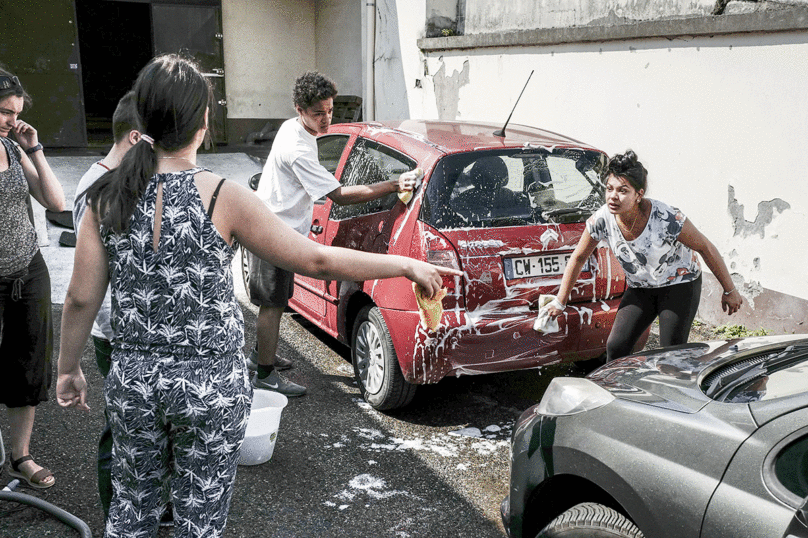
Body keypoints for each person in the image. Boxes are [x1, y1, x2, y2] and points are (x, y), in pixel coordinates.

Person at [56, 54, 459, 537]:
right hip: (211, 387)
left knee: (131, 510)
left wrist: (68, 368)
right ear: (204, 122)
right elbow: (316, 260)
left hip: (135, 381)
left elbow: (81, 298)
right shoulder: (222, 196)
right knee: (198, 517)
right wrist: (406, 264)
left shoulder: (105, 195)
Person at [249, 71, 419, 397]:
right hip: (272, 231)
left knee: (278, 302)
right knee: (272, 307)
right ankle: (264, 375)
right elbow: (340, 196)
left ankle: (261, 357)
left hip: (278, 227)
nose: (327, 119)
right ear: (299, 109)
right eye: (318, 113)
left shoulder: (292, 126)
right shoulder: (297, 148)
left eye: (330, 110)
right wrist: (394, 184)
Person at [546, 150, 743, 362]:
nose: (613, 196)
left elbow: (705, 247)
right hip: (641, 288)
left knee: (671, 356)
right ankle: (619, 393)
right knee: (616, 347)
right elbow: (578, 257)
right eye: (609, 189)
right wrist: (560, 301)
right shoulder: (602, 219)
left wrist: (729, 289)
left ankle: (675, 392)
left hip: (679, 284)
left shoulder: (666, 217)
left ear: (638, 195)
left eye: (623, 191)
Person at [72, 90, 142, 519]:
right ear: (136, 138)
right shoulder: (96, 188)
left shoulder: (123, 180)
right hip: (115, 330)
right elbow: (85, 287)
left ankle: (150, 509)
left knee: (141, 427)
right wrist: (66, 365)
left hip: (132, 329)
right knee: (120, 430)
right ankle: (115, 515)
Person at [0, 68, 65, 489]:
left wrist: (34, 149)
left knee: (29, 364)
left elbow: (56, 202)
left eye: (16, 113)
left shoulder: (10, 145)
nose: (11, 120)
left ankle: (20, 455)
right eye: (4, 112)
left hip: (28, 270)